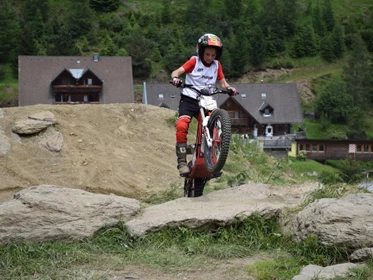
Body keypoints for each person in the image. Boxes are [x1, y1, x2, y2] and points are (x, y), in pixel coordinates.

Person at [171, 33, 238, 175]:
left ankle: (212, 161)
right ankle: (182, 161)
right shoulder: (194, 62)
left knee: (212, 128)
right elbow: (176, 72)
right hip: (190, 98)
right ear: (201, 51)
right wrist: (176, 78)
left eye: (213, 55)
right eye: (207, 54)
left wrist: (229, 88)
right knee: (182, 125)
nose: (210, 58)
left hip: (207, 99)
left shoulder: (217, 65)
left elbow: (223, 82)